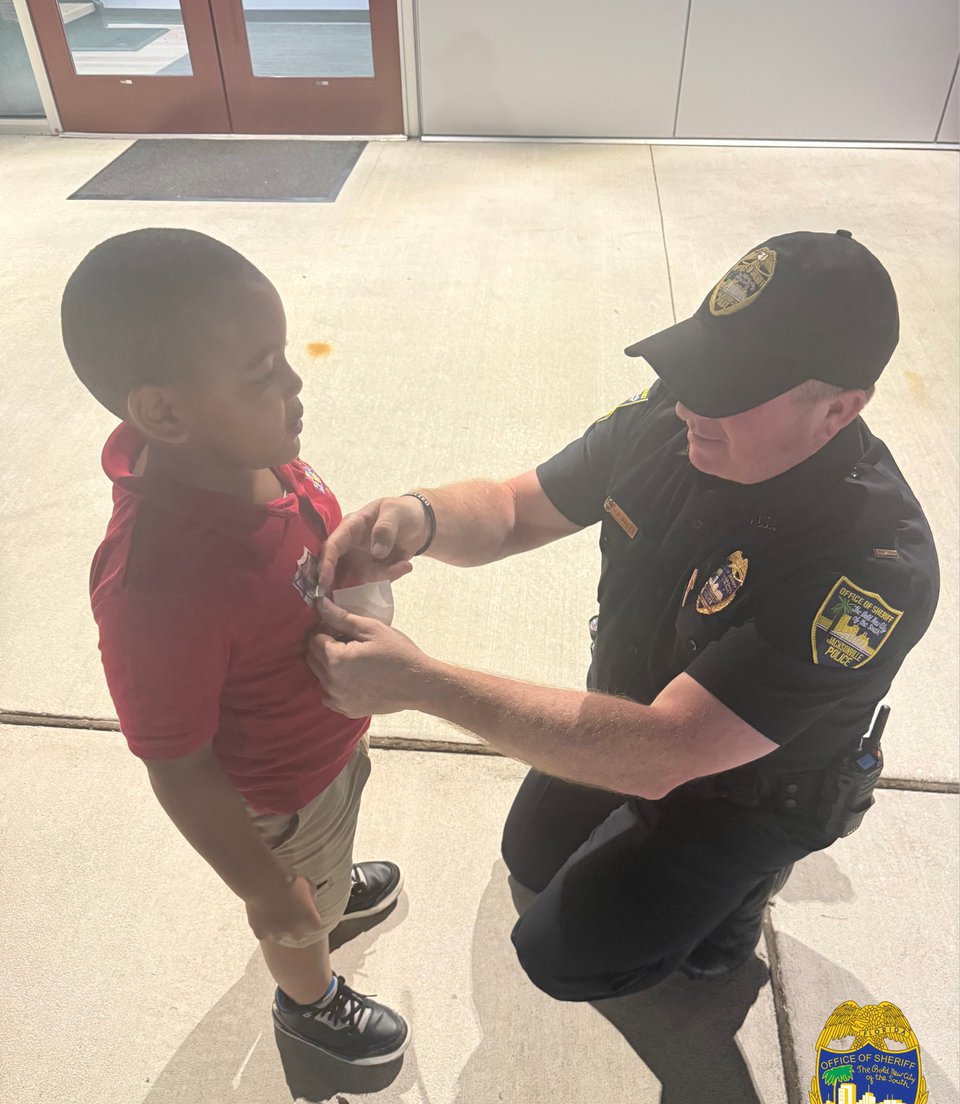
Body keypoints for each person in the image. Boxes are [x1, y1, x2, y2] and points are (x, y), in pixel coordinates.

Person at [309, 230, 939, 1000]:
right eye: (695, 369)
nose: (691, 405)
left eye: (731, 389)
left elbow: (667, 751)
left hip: (739, 785)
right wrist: (417, 515)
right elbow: (513, 509)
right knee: (532, 856)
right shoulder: (669, 426)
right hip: (635, 710)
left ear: (838, 409)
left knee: (565, 954)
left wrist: (422, 683)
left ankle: (741, 892)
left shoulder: (870, 568)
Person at [62, 228, 412, 1064]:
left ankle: (324, 890)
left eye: (284, 359)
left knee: (329, 848)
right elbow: (177, 761)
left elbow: (295, 549)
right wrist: (266, 889)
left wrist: (349, 561)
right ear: (163, 412)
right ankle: (309, 994)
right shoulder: (159, 587)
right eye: (263, 375)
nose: (295, 386)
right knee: (297, 909)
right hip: (276, 794)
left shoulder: (256, 454)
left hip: (324, 747)